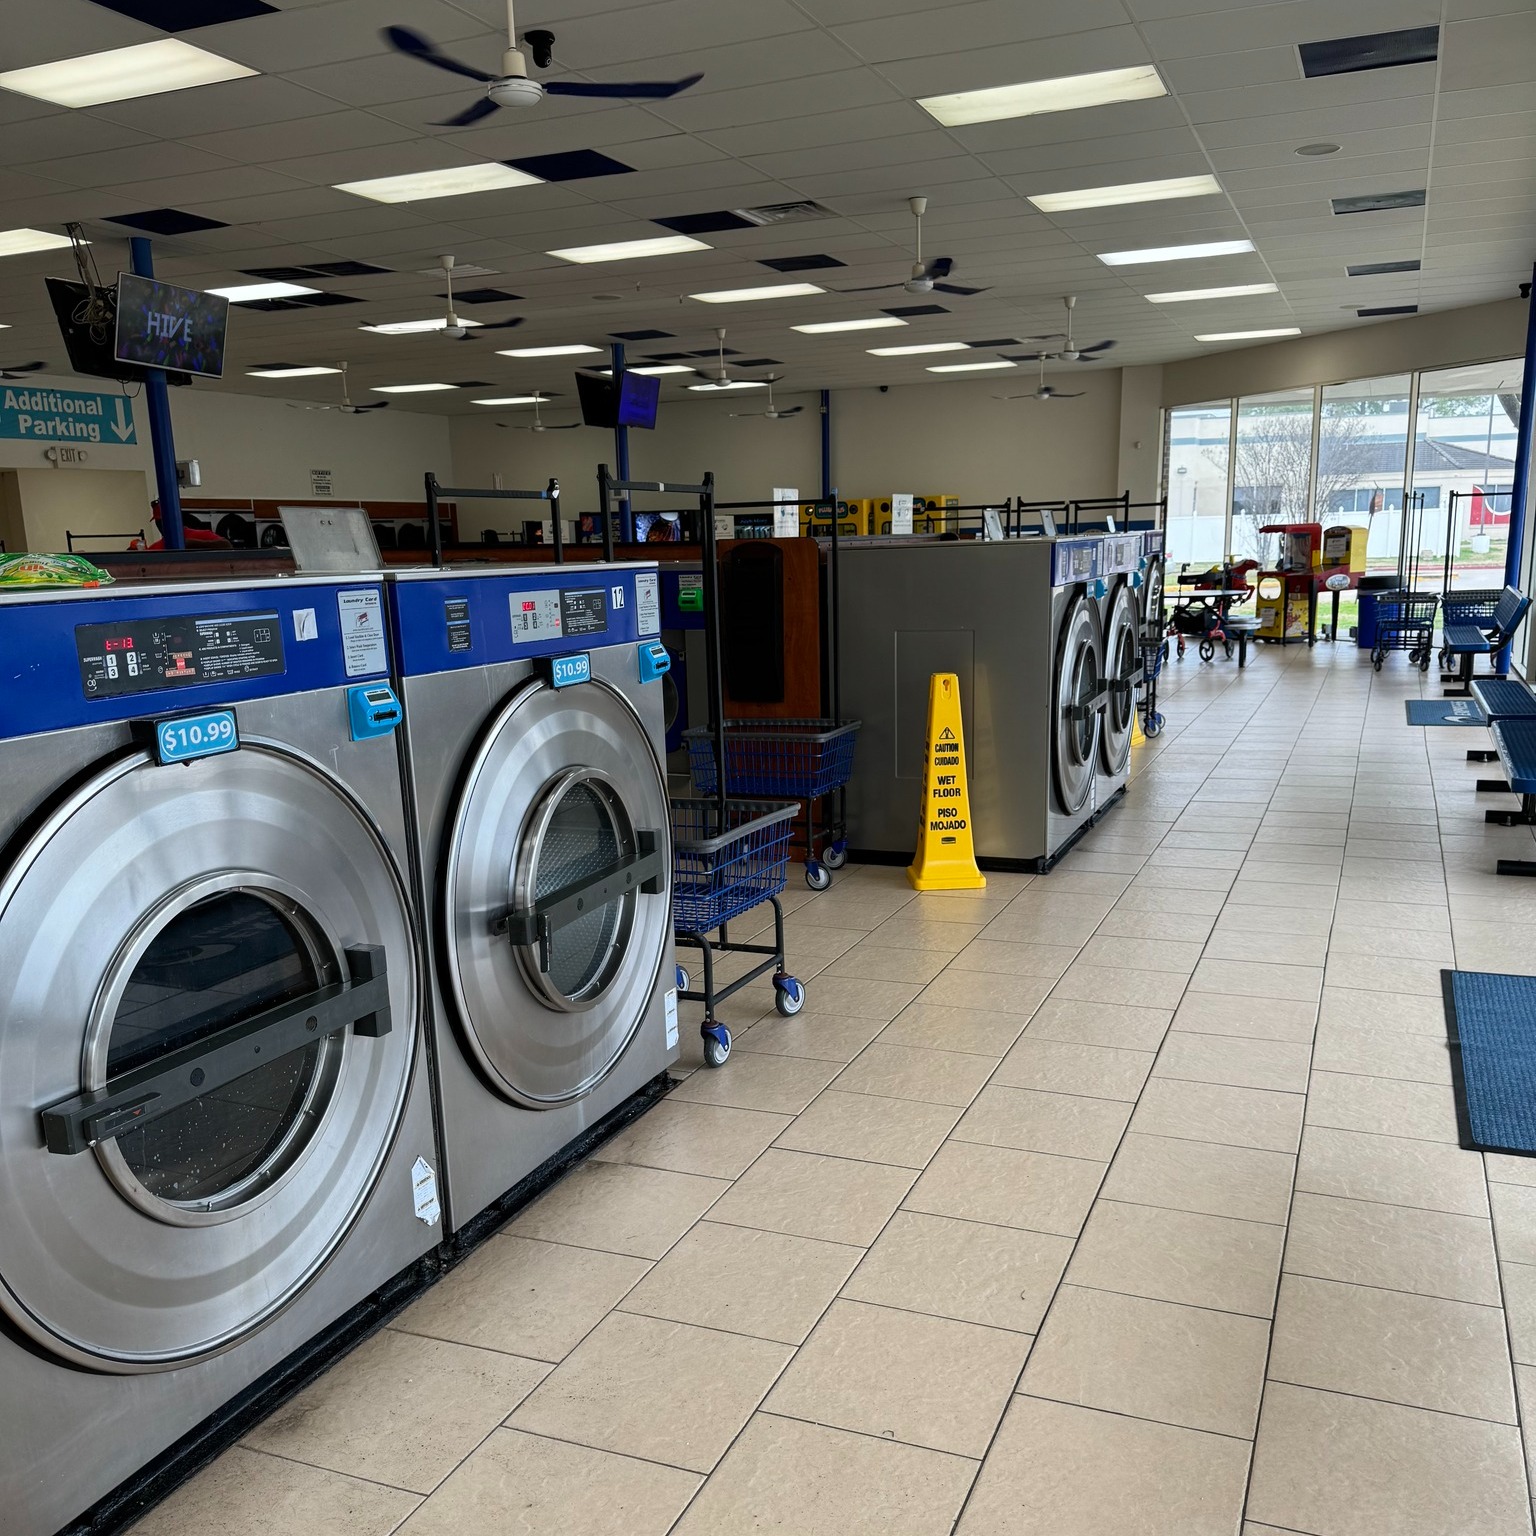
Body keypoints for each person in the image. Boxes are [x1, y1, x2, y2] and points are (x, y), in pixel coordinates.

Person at [128, 501, 230, 550]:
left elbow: (226, 545)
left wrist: (190, 544)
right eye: (158, 522)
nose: (161, 526)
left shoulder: (200, 535)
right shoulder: (156, 547)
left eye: (163, 521)